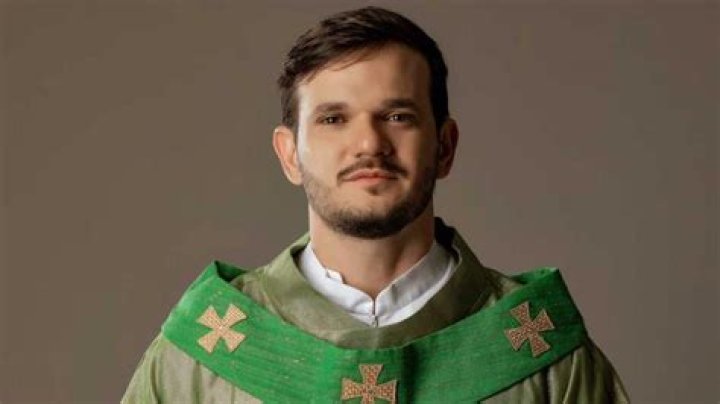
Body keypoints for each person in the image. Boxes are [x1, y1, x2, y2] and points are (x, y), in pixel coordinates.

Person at [122, 6, 629, 403]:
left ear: (445, 146)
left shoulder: (542, 354)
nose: (369, 143)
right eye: (333, 119)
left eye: (398, 116)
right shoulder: (201, 359)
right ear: (289, 154)